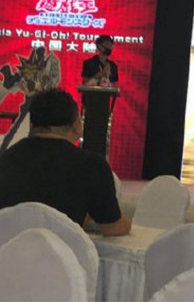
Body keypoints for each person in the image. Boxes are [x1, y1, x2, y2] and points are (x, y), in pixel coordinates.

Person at [0, 88, 131, 236]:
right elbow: (113, 228)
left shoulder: (6, 158)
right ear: (76, 125)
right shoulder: (92, 166)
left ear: (32, 124)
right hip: (65, 250)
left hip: (8, 247)